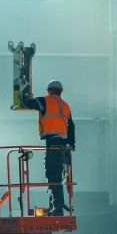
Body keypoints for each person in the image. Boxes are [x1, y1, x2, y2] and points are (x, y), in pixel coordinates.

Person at [23, 80, 75, 216]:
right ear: (60, 91)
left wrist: (25, 93)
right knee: (57, 175)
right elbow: (71, 127)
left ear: (49, 91)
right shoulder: (66, 106)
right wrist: (71, 145)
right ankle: (55, 206)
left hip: (52, 143)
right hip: (63, 145)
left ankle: (57, 208)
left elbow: (27, 103)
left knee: (53, 175)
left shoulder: (45, 101)